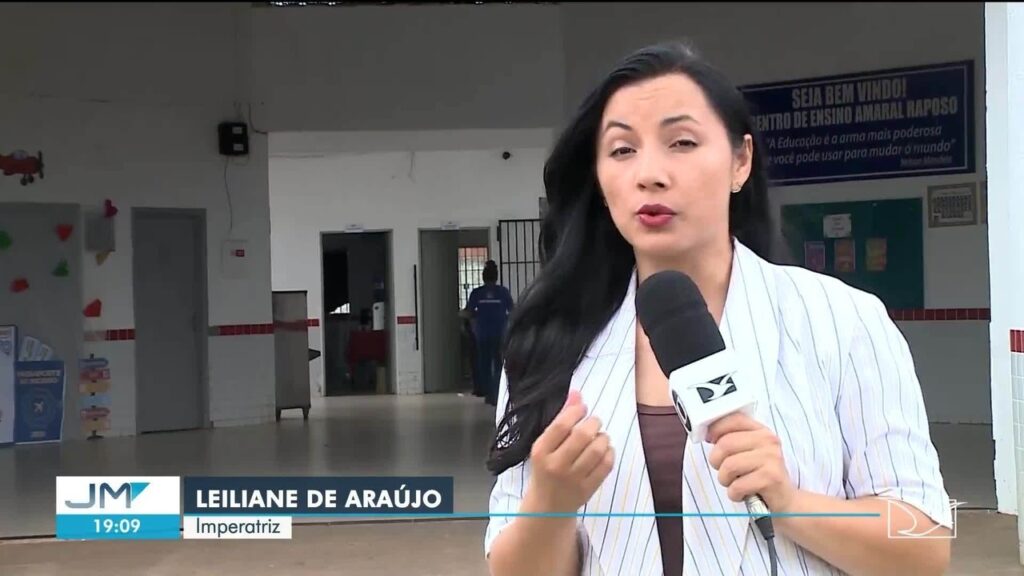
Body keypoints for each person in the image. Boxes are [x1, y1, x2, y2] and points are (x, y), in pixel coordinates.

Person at [484, 40, 952, 576]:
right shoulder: (547, 344)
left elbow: (925, 547)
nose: (649, 174)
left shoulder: (842, 322)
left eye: (681, 142)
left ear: (740, 161)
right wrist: (551, 503)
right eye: (622, 150)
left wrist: (789, 504)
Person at [467, 260, 514, 406]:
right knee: (499, 365)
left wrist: (473, 327)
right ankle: (497, 394)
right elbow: (512, 311)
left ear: (483, 276)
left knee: (484, 365)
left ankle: (488, 393)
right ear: (496, 276)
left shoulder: (477, 293)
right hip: (500, 334)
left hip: (482, 335)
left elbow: (469, 313)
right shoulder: (503, 292)